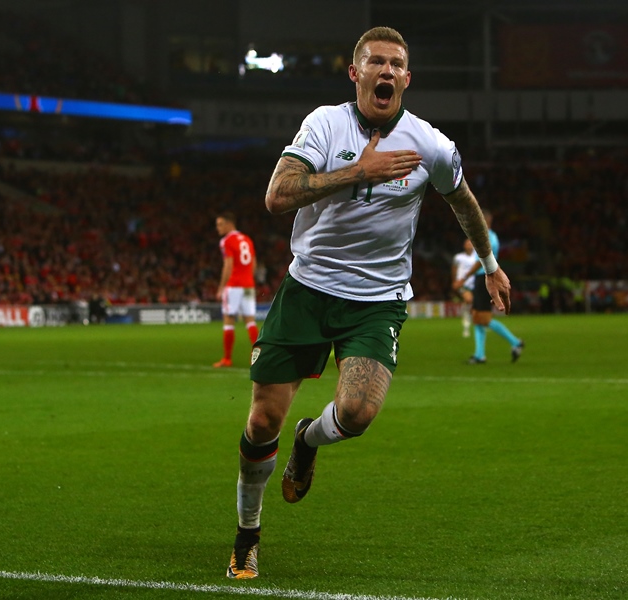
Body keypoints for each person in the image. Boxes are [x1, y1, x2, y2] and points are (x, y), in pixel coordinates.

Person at [226, 26, 512, 580]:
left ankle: (309, 440)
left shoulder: (429, 144)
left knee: (356, 414)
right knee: (262, 421)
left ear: (406, 78)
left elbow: (463, 200)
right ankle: (247, 532)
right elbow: (275, 197)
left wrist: (491, 264)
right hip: (307, 289)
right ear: (354, 73)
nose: (386, 71)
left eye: (396, 64)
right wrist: (360, 171)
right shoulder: (323, 125)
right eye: (375, 62)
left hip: (377, 300)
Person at [464, 210, 524, 364]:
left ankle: (515, 342)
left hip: (485, 278)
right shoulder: (491, 236)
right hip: (482, 277)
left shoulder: (487, 237)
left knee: (483, 318)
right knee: (477, 316)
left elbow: (480, 261)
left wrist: (464, 277)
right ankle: (479, 354)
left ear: (485, 220)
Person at [214, 211, 259, 367]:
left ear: (229, 223)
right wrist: (248, 279)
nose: (218, 228)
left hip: (233, 286)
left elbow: (228, 265)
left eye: (220, 224)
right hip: (248, 284)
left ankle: (227, 358)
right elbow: (253, 263)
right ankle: (260, 358)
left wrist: (221, 287)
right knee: (250, 322)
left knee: (228, 321)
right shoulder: (247, 239)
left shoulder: (226, 241)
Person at [451, 239, 478, 337]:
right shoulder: (459, 257)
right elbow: (454, 269)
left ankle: (479, 323)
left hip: (475, 284)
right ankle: (466, 326)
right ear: (464, 246)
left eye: (471, 243)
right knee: (469, 300)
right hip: (463, 284)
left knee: (475, 305)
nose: (469, 245)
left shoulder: (477, 256)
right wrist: (454, 281)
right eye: (467, 243)